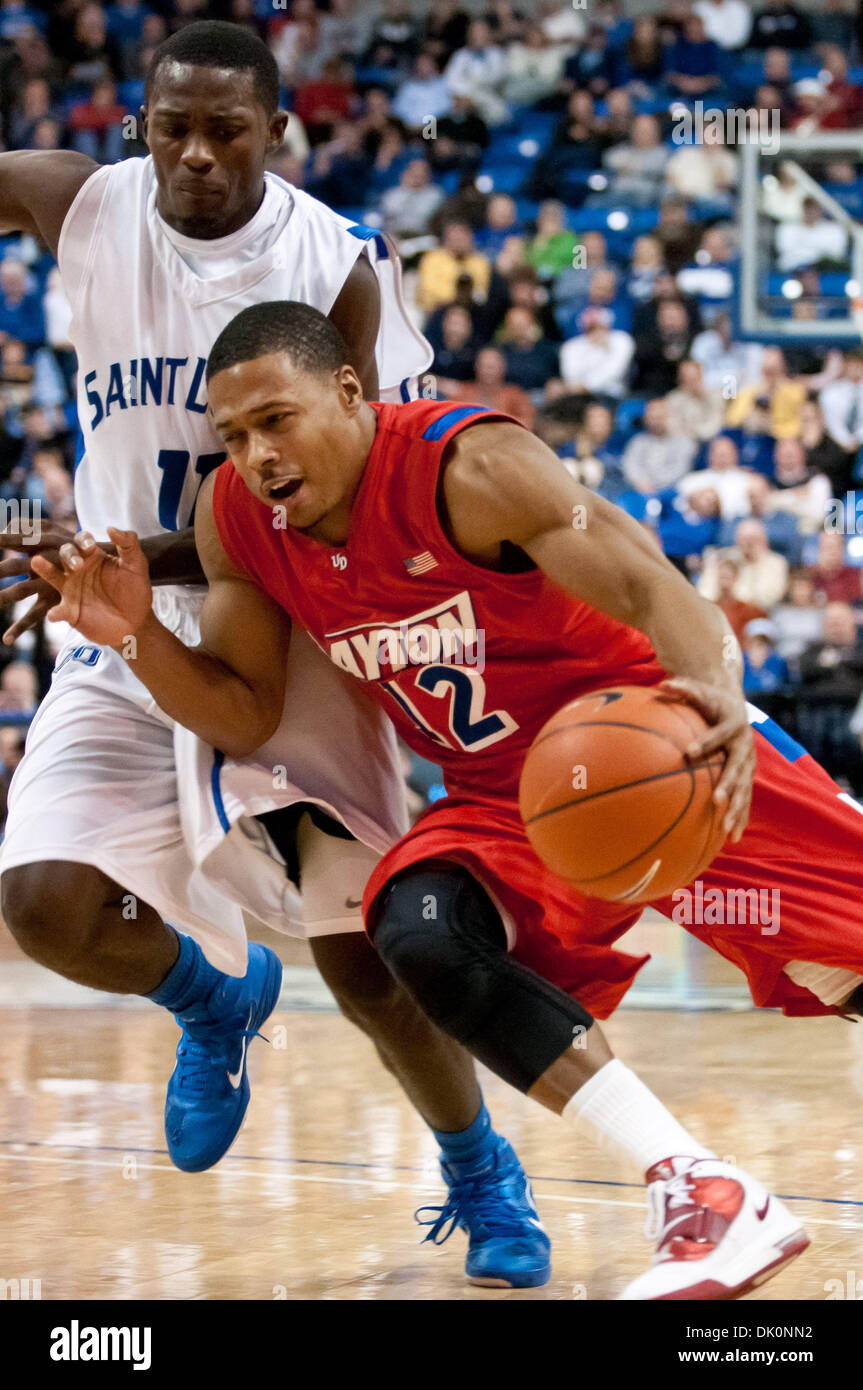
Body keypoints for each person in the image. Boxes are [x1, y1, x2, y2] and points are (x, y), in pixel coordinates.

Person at [37, 298, 821, 1302]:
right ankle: (701, 1190)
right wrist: (139, 633)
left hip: (654, 742)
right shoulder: (239, 519)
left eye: (277, 418)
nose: (257, 453)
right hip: (509, 796)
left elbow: (648, 583)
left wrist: (712, 694)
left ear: (352, 392)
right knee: (414, 928)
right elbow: (240, 715)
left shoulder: (465, 465)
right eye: (233, 436)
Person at [0, 22, 548, 1290]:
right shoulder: (83, 206)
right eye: (169, 127)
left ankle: (479, 1172)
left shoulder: (340, 265)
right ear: (138, 123)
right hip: (123, 620)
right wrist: (119, 587)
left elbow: (341, 492)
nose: (192, 155)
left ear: (276, 133)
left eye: (225, 130)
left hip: (289, 626)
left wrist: (124, 563)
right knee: (45, 908)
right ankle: (210, 997)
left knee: (368, 958)